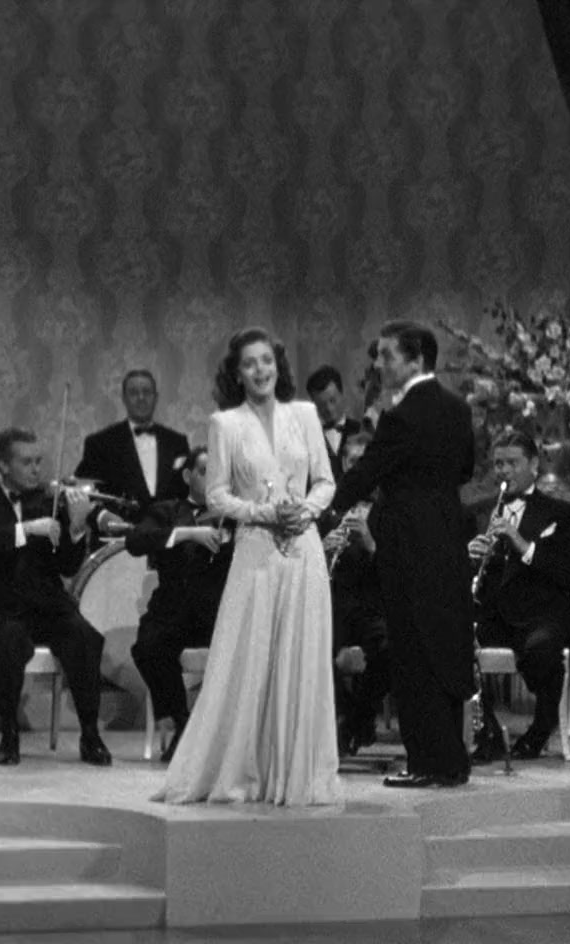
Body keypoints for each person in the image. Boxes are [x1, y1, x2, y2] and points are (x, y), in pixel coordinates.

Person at [155, 327, 339, 805]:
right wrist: (262, 512)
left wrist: (306, 510)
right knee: (252, 659)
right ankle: (245, 771)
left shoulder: (305, 414)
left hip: (303, 550)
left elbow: (325, 480)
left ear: (279, 365)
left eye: (267, 361)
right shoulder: (226, 424)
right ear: (237, 373)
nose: (261, 370)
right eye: (250, 363)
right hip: (256, 551)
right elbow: (217, 495)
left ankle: (295, 775)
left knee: (301, 659)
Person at [328, 322, 475, 788]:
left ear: (416, 360)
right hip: (448, 540)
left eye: (387, 355)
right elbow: (466, 469)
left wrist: (324, 510)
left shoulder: (401, 415)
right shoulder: (457, 408)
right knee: (444, 648)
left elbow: (367, 472)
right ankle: (451, 760)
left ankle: (426, 762)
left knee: (413, 653)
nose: (378, 364)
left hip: (408, 546)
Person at [0, 428, 113, 767]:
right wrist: (25, 530)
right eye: (26, 462)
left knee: (84, 636)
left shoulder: (50, 506)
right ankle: (9, 733)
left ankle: (90, 735)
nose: (36, 470)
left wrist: (76, 528)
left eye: (39, 462)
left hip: (47, 607)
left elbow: (68, 565)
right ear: (3, 465)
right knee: (8, 640)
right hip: (2, 609)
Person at [468, 430, 570, 762]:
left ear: (533, 465)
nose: (504, 471)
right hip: (494, 613)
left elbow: (565, 571)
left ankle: (540, 730)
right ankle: (487, 731)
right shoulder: (480, 512)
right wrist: (470, 556)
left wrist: (520, 543)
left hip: (540, 613)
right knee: (455, 642)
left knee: (542, 651)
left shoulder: (560, 512)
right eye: (498, 464)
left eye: (512, 463)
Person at [125, 447, 233, 762]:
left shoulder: (236, 516)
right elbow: (135, 541)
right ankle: (183, 720)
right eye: (204, 471)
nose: (212, 479)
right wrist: (189, 533)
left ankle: (219, 735)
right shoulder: (166, 511)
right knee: (147, 647)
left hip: (217, 614)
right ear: (188, 476)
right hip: (171, 609)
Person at [324, 432, 391, 758]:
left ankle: (358, 718)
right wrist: (323, 550)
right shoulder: (326, 510)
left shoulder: (390, 512)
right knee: (312, 648)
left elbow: (399, 571)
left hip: (375, 605)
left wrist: (370, 543)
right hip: (333, 605)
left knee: (391, 648)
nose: (360, 470)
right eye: (354, 462)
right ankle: (347, 715)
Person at [76, 369, 191, 524]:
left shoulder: (177, 442)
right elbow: (85, 492)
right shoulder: (99, 443)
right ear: (124, 398)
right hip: (119, 532)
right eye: (134, 393)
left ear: (156, 397)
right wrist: (103, 517)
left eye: (147, 392)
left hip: (170, 533)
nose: (141, 398)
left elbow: (187, 491)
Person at [306, 365, 362, 483]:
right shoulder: (309, 440)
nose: (329, 409)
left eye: (333, 400)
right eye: (321, 405)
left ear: (342, 394)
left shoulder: (361, 430)